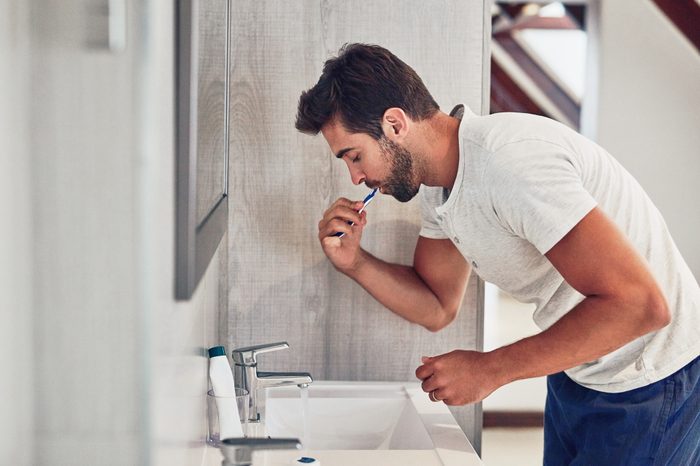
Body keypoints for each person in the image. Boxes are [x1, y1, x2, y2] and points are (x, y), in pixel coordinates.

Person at [295, 43, 700, 465]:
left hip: (653, 375)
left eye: (354, 156)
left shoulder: (510, 163)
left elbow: (641, 306)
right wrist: (356, 264)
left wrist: (491, 369)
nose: (356, 176)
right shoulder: (441, 186)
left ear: (395, 124)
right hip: (581, 368)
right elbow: (437, 304)